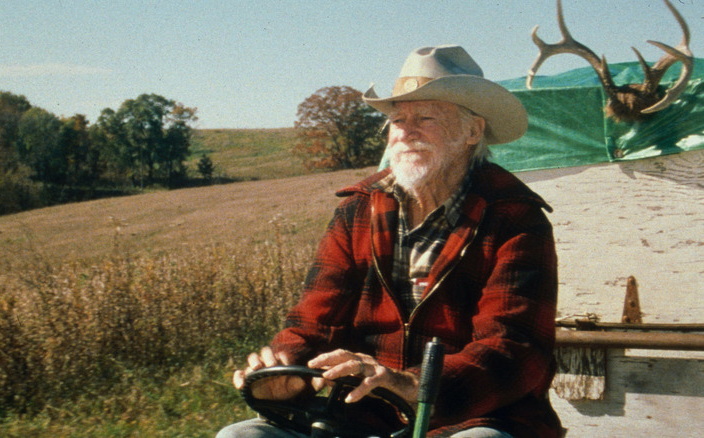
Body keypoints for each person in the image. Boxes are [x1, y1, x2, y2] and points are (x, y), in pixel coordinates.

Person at [217, 45, 562, 438]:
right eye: (398, 119)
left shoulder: (514, 217)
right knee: (241, 436)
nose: (405, 131)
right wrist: (284, 366)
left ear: (472, 131)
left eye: (425, 117)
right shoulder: (358, 211)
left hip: (473, 416)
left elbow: (513, 350)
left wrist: (408, 385)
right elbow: (314, 323)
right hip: (358, 413)